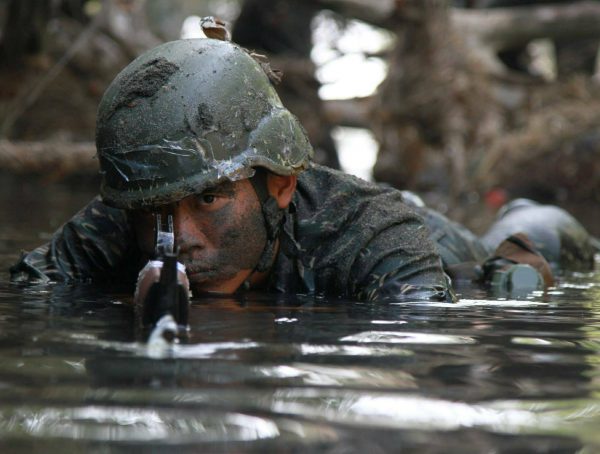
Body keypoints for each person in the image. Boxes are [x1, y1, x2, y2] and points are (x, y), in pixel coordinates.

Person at [10, 38, 454, 303]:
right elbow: (28, 296)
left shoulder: (371, 233)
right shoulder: (126, 213)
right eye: (153, 208)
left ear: (280, 184)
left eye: (208, 199)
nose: (179, 235)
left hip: (436, 235)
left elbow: (424, 329)